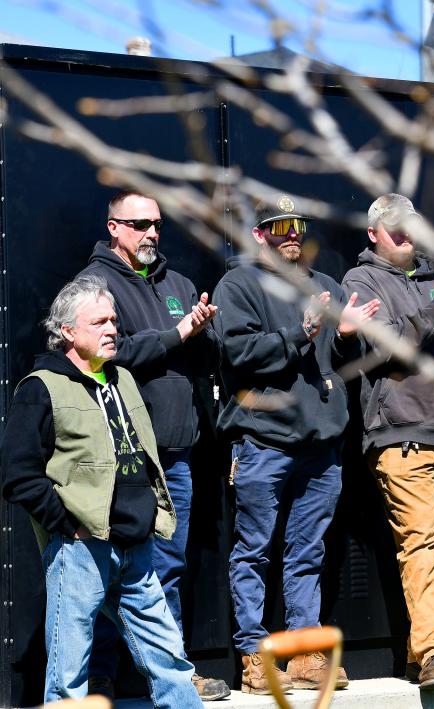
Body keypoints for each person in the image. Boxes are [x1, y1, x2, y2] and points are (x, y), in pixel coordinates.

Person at [0, 276, 201, 708]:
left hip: (136, 544)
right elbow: (17, 473)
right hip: (81, 548)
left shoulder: (124, 379)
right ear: (69, 331)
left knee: (169, 657)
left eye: (113, 320)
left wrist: (150, 514)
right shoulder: (41, 387)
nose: (112, 328)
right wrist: (67, 525)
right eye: (100, 321)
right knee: (68, 670)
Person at [213, 195, 379, 695]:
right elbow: (237, 353)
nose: (291, 234)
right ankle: (254, 658)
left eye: (297, 226)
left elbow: (342, 357)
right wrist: (297, 333)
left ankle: (306, 654)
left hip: (321, 447)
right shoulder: (238, 284)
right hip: (264, 445)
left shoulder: (325, 286)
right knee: (254, 553)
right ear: (258, 233)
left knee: (308, 552)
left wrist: (348, 336)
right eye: (278, 226)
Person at [78, 190, 228, 701]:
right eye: (139, 223)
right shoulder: (94, 286)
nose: (151, 233)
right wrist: (177, 333)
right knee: (105, 570)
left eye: (157, 224)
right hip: (121, 459)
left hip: (177, 457)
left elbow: (205, 352)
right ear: (113, 227)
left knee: (167, 568)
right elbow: (109, 354)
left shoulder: (178, 283)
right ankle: (100, 676)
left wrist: (204, 331)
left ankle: (174, 675)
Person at [341, 193, 434, 687]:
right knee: (420, 544)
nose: (406, 235)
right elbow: (383, 349)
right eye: (394, 227)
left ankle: (427, 651)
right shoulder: (359, 280)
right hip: (400, 434)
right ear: (374, 233)